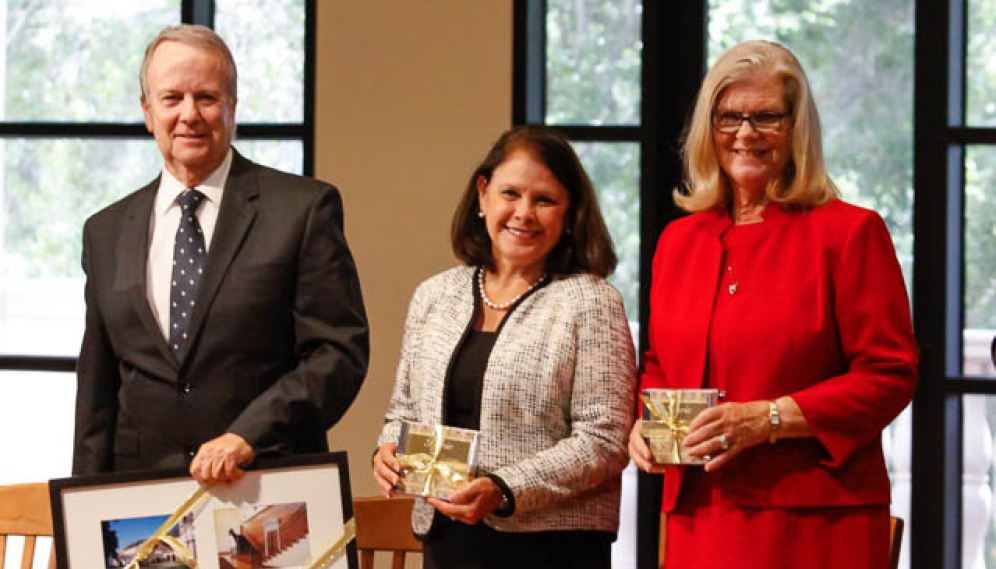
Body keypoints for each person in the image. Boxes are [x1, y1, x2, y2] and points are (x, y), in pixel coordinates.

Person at [627, 40, 918, 568]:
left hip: (815, 521)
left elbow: (890, 374)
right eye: (729, 117)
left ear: (797, 127)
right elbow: (660, 364)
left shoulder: (850, 234)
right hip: (699, 512)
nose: (744, 133)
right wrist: (644, 426)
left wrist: (769, 419)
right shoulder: (679, 241)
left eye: (766, 117)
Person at [72, 24, 369, 485]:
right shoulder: (104, 231)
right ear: (147, 111)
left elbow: (338, 353)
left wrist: (249, 434)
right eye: (171, 99)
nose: (189, 114)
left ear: (232, 108)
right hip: (143, 503)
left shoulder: (303, 209)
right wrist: (82, 514)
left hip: (266, 488)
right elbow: (97, 391)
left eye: (206, 98)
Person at [372, 125, 637, 569]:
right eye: (510, 193)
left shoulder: (590, 301)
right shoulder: (434, 295)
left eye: (545, 200)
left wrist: (504, 488)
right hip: (448, 542)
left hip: (551, 550)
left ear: (570, 213)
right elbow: (403, 410)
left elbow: (605, 440)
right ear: (483, 194)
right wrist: (386, 450)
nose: (524, 213)